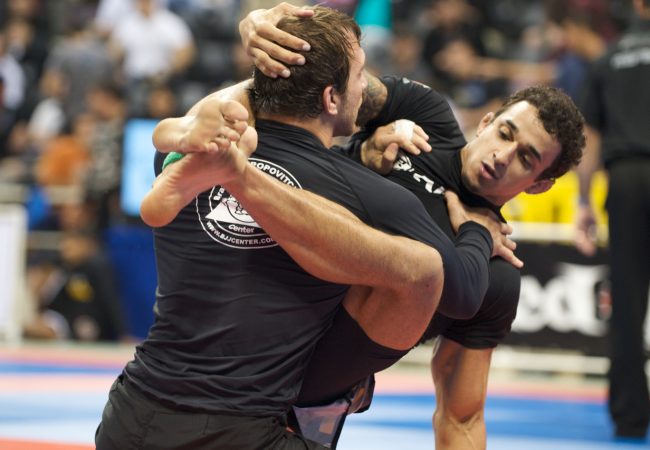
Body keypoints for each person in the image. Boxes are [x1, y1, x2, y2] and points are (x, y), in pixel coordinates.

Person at [96, 6, 506, 449]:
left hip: (130, 413)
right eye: (360, 76)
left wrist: (261, 56)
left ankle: (236, 170)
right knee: (421, 269)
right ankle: (323, 402)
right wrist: (478, 230)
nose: (365, 88)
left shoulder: (199, 148)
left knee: (179, 138)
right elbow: (461, 291)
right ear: (331, 98)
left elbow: (218, 114)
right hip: (239, 432)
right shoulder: (373, 195)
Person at [234, 5, 585, 449]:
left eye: (526, 159)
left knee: (423, 273)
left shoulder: (494, 275)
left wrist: (475, 238)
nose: (502, 156)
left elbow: (461, 419)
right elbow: (320, 85)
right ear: (487, 121)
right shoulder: (427, 115)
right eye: (506, 133)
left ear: (538, 185)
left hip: (302, 400)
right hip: (242, 325)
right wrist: (264, 29)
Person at [575, 0, 650, 439]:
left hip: (625, 181)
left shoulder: (609, 58)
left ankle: (630, 416)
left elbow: (591, 134)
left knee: (626, 302)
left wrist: (584, 202)